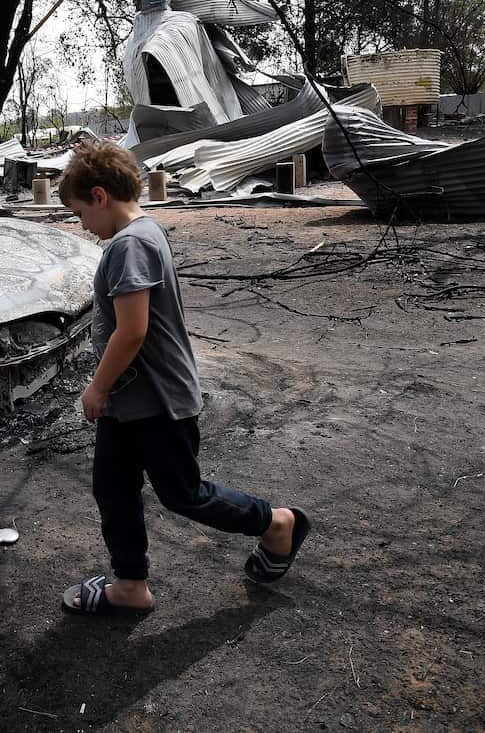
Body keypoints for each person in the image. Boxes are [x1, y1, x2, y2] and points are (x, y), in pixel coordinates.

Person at [58, 140, 312, 616]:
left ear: (98, 196)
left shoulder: (131, 245)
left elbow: (133, 331)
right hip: (130, 403)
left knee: (184, 494)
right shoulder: (145, 232)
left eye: (79, 214)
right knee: (112, 489)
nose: (83, 227)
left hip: (156, 403)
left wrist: (97, 386)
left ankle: (277, 523)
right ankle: (131, 584)